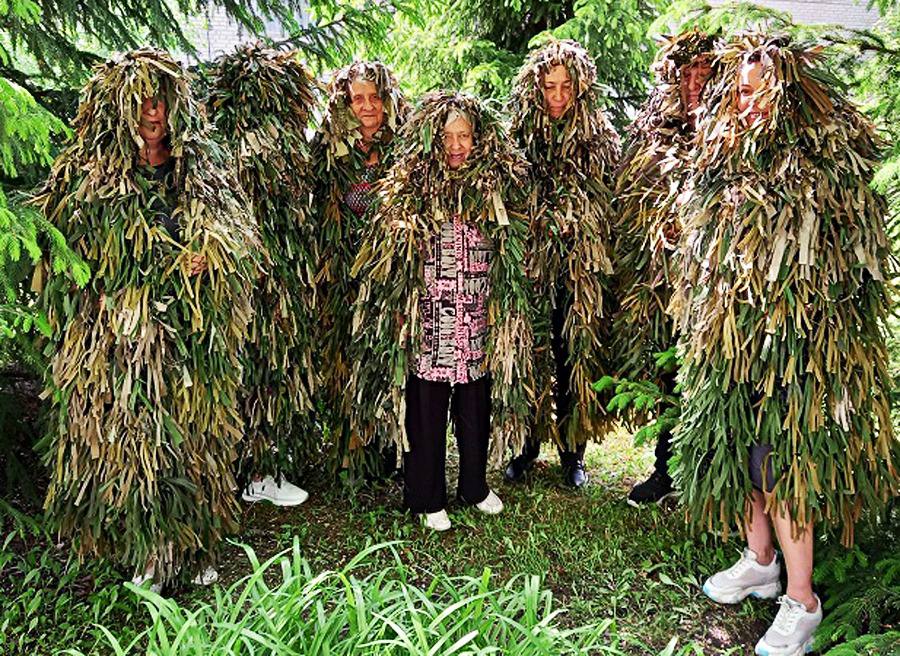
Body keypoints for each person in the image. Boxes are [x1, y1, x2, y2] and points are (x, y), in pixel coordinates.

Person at [671, 33, 900, 655]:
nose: (746, 104)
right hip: (732, 340)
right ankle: (761, 560)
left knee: (782, 464)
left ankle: (802, 600)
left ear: (789, 91)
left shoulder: (820, 159)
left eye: (756, 92)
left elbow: (847, 261)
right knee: (744, 451)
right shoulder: (725, 155)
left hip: (796, 351)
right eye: (739, 93)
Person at [34, 49, 262, 590]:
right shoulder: (87, 177)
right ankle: (146, 549)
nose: (151, 112)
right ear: (116, 107)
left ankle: (193, 543)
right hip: (121, 340)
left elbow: (240, 234)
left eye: (160, 100)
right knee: (137, 440)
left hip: (191, 338)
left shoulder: (202, 169)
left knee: (195, 439)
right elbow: (69, 256)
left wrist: (212, 250)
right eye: (139, 101)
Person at [351, 91, 533, 531]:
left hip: (476, 313)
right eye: (448, 136)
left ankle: (474, 485)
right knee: (426, 405)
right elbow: (390, 252)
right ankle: (425, 494)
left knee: (475, 403)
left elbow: (513, 246)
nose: (456, 146)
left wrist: (503, 306)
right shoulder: (412, 183)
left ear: (478, 139)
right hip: (428, 314)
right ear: (433, 139)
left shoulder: (495, 183)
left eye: (464, 136)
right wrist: (398, 305)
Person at [505, 40, 620, 487]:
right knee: (532, 353)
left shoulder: (600, 138)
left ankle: (574, 453)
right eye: (549, 86)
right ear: (536, 88)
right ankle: (526, 447)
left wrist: (579, 223)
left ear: (580, 89)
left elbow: (608, 200)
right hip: (533, 268)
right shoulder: (518, 137)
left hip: (578, 271)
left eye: (565, 87)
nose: (556, 97)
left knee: (575, 355)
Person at [207, 44, 318, 506]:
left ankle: (264, 467)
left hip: (283, 276)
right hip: (239, 275)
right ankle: (238, 466)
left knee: (274, 366)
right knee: (242, 366)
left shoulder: (291, 145)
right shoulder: (218, 146)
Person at [612, 31, 717, 506]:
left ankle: (708, 478)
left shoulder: (729, 123)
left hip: (716, 282)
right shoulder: (655, 124)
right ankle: (665, 471)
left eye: (703, 71)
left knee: (710, 377)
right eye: (686, 72)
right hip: (664, 280)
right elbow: (634, 189)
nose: (694, 81)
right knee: (670, 373)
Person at [313, 61, 410, 478]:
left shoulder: (406, 145)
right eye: (358, 98)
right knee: (349, 356)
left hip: (390, 275)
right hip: (344, 274)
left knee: (389, 356)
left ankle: (391, 445)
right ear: (345, 105)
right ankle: (353, 444)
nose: (368, 106)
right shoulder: (330, 150)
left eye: (375, 97)